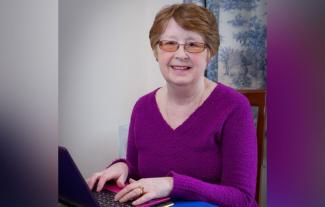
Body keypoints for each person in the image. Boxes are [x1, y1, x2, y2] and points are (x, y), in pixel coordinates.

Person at [87, 3, 257, 207]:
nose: (181, 54)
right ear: (156, 51)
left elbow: (242, 197)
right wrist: (122, 167)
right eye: (169, 43)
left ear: (210, 53)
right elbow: (138, 172)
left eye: (193, 45)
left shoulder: (234, 106)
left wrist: (172, 184)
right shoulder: (142, 107)